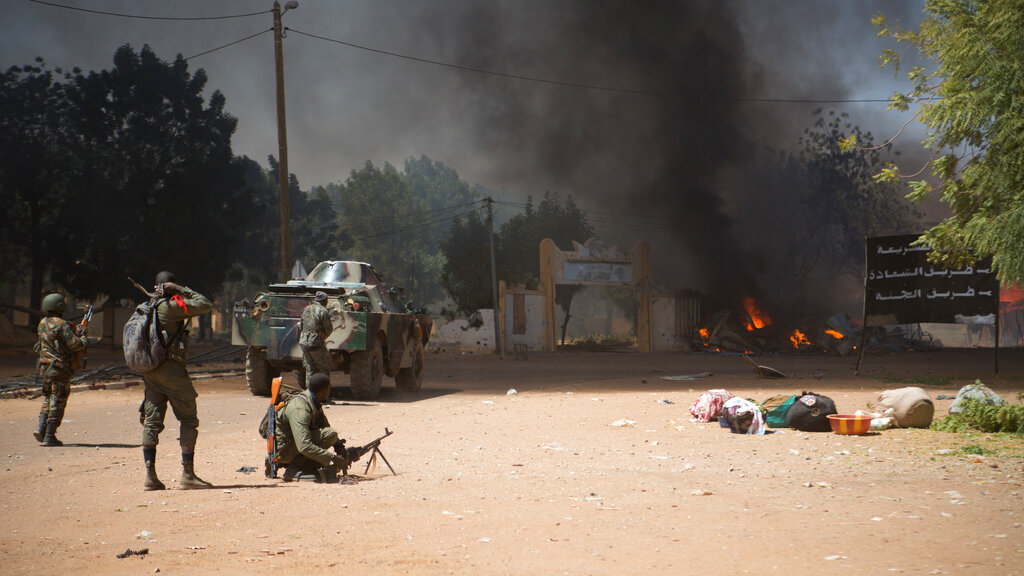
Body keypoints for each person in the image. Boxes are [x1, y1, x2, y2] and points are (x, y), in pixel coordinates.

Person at [140, 271, 213, 491]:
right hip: (172, 372)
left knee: (152, 422)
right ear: (169, 286)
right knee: (189, 420)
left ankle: (150, 476)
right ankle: (188, 475)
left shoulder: (145, 307)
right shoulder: (170, 308)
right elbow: (205, 303)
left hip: (151, 372)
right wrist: (181, 289)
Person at [275, 372, 351, 482]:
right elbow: (303, 445)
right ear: (322, 392)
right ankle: (294, 469)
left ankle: (309, 464)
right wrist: (331, 457)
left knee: (330, 435)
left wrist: (339, 447)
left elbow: (324, 425)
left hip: (294, 445)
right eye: (328, 390)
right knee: (331, 434)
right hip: (284, 453)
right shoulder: (300, 409)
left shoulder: (313, 401)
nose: (329, 393)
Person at [33, 293, 86, 446]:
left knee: (49, 397)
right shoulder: (62, 324)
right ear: (60, 307)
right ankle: (50, 435)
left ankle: (41, 427)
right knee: (58, 399)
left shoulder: (42, 323)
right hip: (59, 368)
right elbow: (75, 345)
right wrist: (83, 338)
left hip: (44, 367)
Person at [298, 291, 333, 389]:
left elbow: (301, 326)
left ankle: (310, 394)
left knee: (310, 369)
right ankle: (324, 395)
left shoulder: (306, 309)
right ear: (325, 301)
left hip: (304, 343)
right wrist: (323, 337)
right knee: (324, 369)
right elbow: (329, 329)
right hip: (316, 343)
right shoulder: (323, 311)